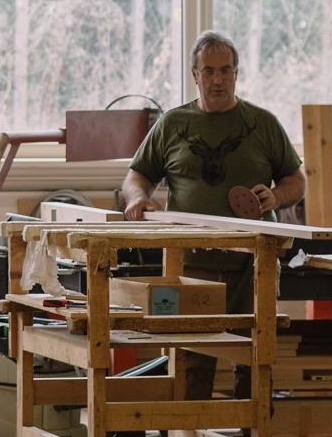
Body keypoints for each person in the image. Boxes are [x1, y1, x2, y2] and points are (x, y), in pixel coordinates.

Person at [121, 31, 306, 400]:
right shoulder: (173, 124)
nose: (218, 79)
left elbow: (296, 180)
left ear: (237, 73)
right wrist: (137, 198)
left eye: (226, 70)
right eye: (209, 71)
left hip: (254, 266)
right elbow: (136, 176)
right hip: (189, 266)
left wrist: (277, 195)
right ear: (194, 74)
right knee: (191, 361)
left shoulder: (263, 124)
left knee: (255, 360)